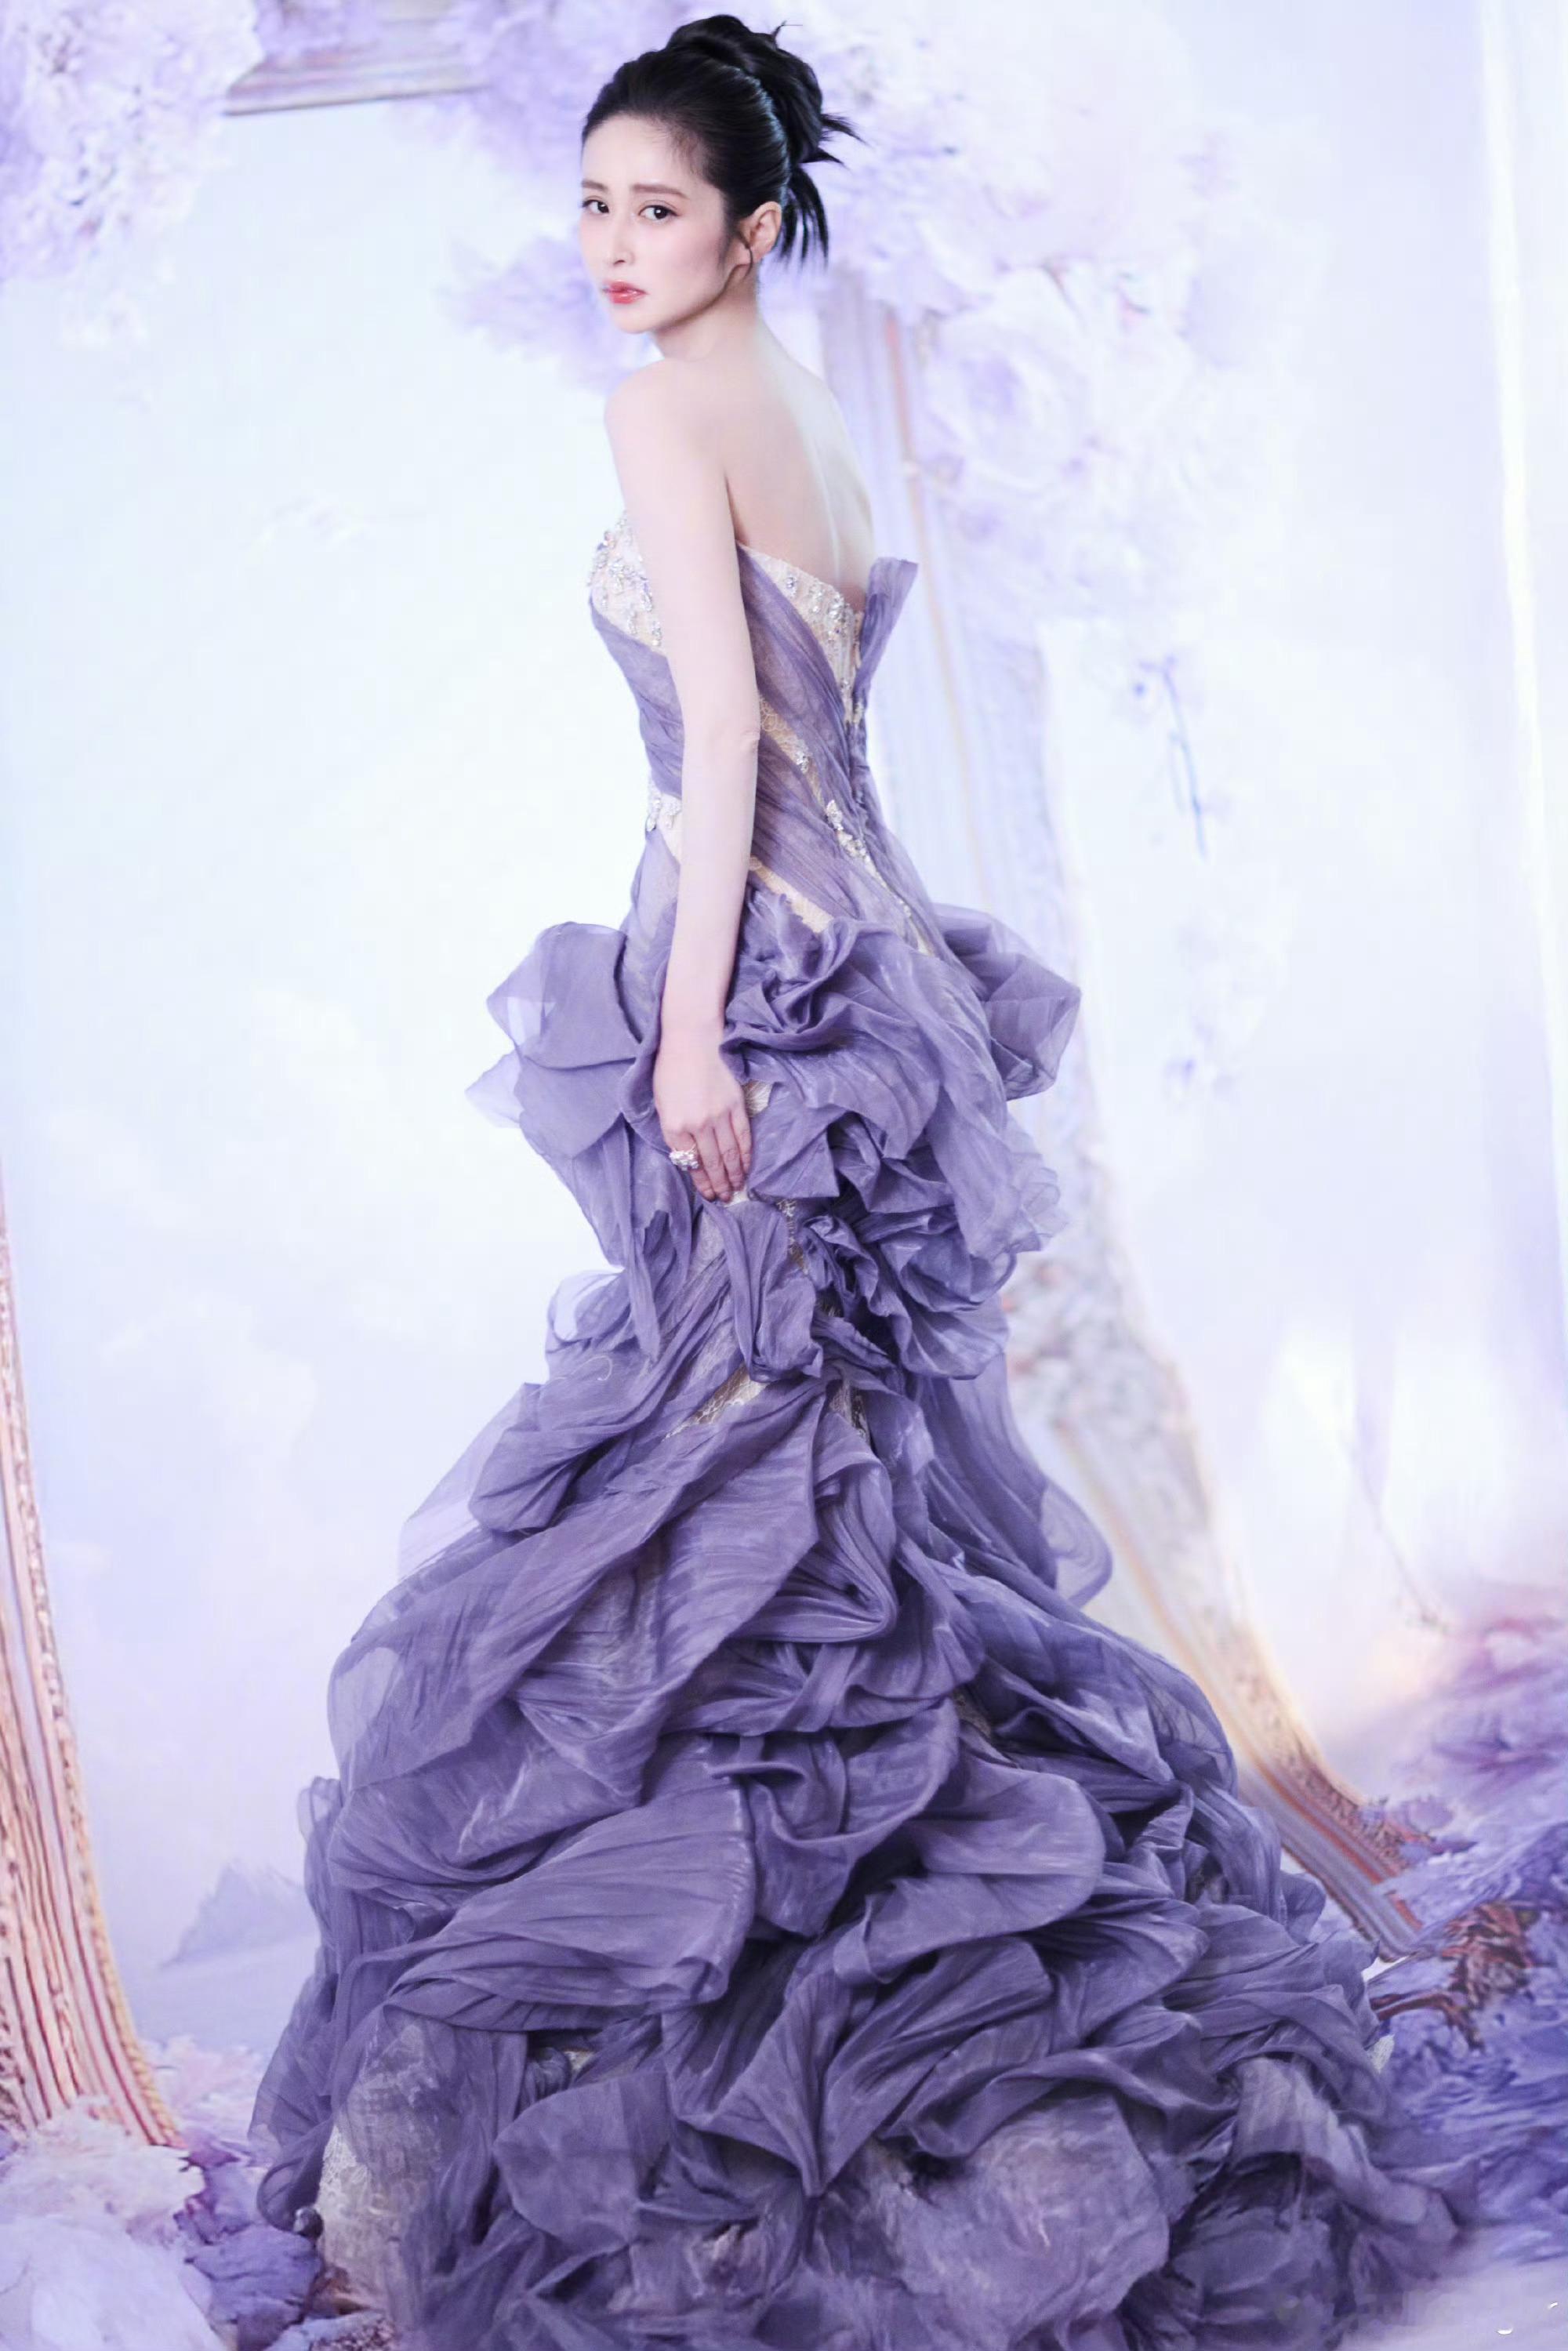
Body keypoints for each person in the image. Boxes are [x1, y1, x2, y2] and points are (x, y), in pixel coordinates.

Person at [249, 16, 1465, 2347]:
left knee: (752, 1516)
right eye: (593, 203)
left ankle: (822, 2115)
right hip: (875, 963)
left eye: (657, 209)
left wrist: (690, 1031)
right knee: (840, 1506)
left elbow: (725, 739)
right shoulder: (802, 400)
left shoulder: (664, 411)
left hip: (778, 992)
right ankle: (948, 2024)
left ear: (751, 228)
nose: (613, 246)